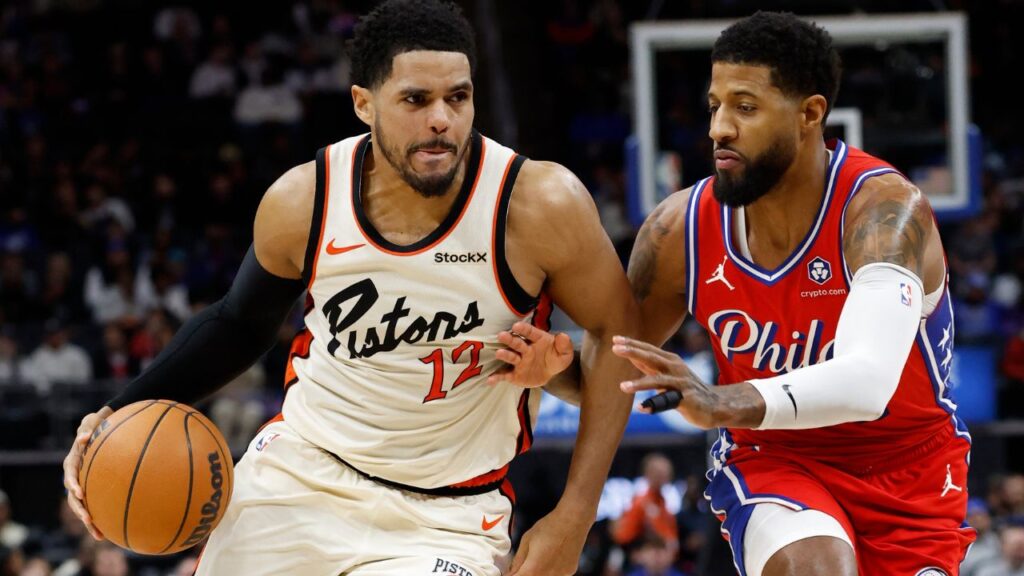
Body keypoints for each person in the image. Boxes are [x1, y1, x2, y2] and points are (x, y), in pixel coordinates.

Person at [61, 1, 639, 574]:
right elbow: (239, 324)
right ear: (364, 103)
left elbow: (622, 340)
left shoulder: (537, 204)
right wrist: (115, 411)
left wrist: (576, 511)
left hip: (445, 516)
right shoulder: (304, 201)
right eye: (416, 99)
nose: (442, 118)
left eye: (457, 97)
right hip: (299, 477)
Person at [501, 11, 975, 576]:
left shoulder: (885, 211)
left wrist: (720, 401)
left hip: (910, 473)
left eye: (744, 108)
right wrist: (550, 370)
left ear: (810, 114)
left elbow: (868, 382)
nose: (719, 129)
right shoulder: (680, 230)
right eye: (714, 106)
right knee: (817, 567)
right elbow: (615, 378)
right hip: (774, 456)